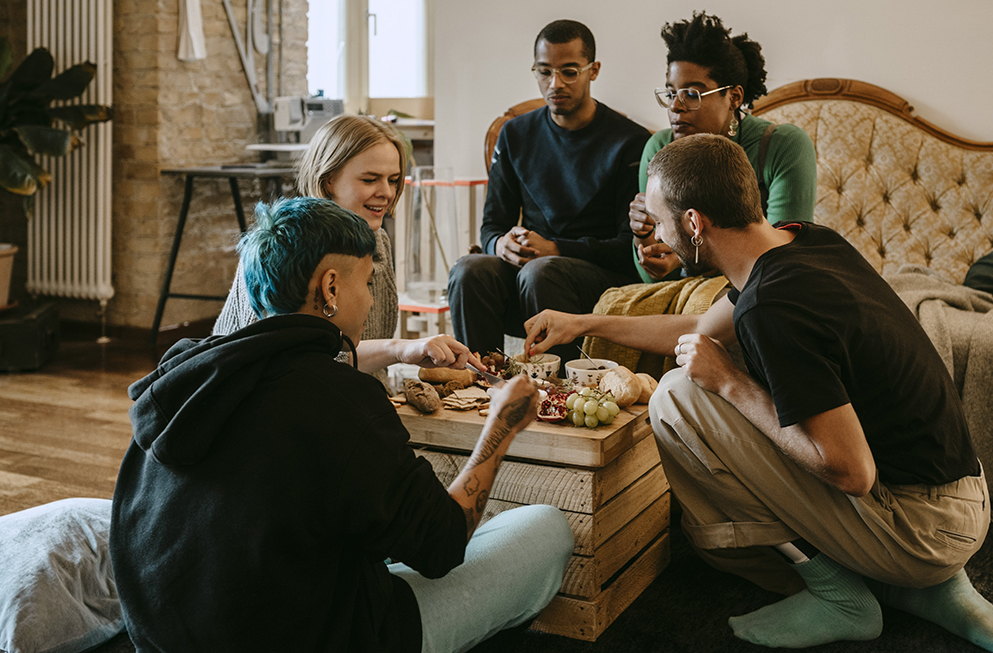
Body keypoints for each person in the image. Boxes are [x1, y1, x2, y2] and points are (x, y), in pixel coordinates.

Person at [523, 135, 993, 653]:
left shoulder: (773, 307)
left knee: (676, 400)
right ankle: (936, 590)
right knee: (707, 374)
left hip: (925, 530)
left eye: (658, 221)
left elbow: (853, 472)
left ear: (694, 223)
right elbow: (700, 325)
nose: (655, 235)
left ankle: (842, 595)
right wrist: (582, 323)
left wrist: (731, 383)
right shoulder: (802, 239)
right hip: (962, 500)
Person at [111, 197, 574, 653]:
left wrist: (398, 349)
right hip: (320, 635)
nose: (371, 297)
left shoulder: (187, 372)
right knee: (544, 528)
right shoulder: (341, 400)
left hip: (164, 634)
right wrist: (500, 427)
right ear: (330, 288)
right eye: (369, 282)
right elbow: (442, 545)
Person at [214, 114, 477, 386]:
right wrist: (400, 349)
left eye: (394, 180)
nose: (386, 192)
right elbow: (300, 361)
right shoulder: (289, 248)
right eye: (370, 179)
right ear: (328, 180)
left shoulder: (378, 241)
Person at [446, 19, 651, 362]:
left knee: (542, 271)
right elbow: (491, 226)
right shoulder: (514, 135)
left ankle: (560, 394)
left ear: (593, 70)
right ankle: (483, 382)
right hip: (531, 275)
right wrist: (502, 245)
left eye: (569, 72)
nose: (554, 83)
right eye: (544, 71)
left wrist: (555, 248)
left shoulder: (629, 142)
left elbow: (626, 248)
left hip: (596, 280)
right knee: (470, 270)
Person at [630, 11, 816, 282]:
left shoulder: (782, 146)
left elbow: (782, 261)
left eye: (692, 94)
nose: (675, 107)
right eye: (670, 93)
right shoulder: (659, 149)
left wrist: (689, 259)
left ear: (734, 97)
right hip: (683, 294)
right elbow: (651, 282)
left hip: (761, 289)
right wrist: (643, 236)